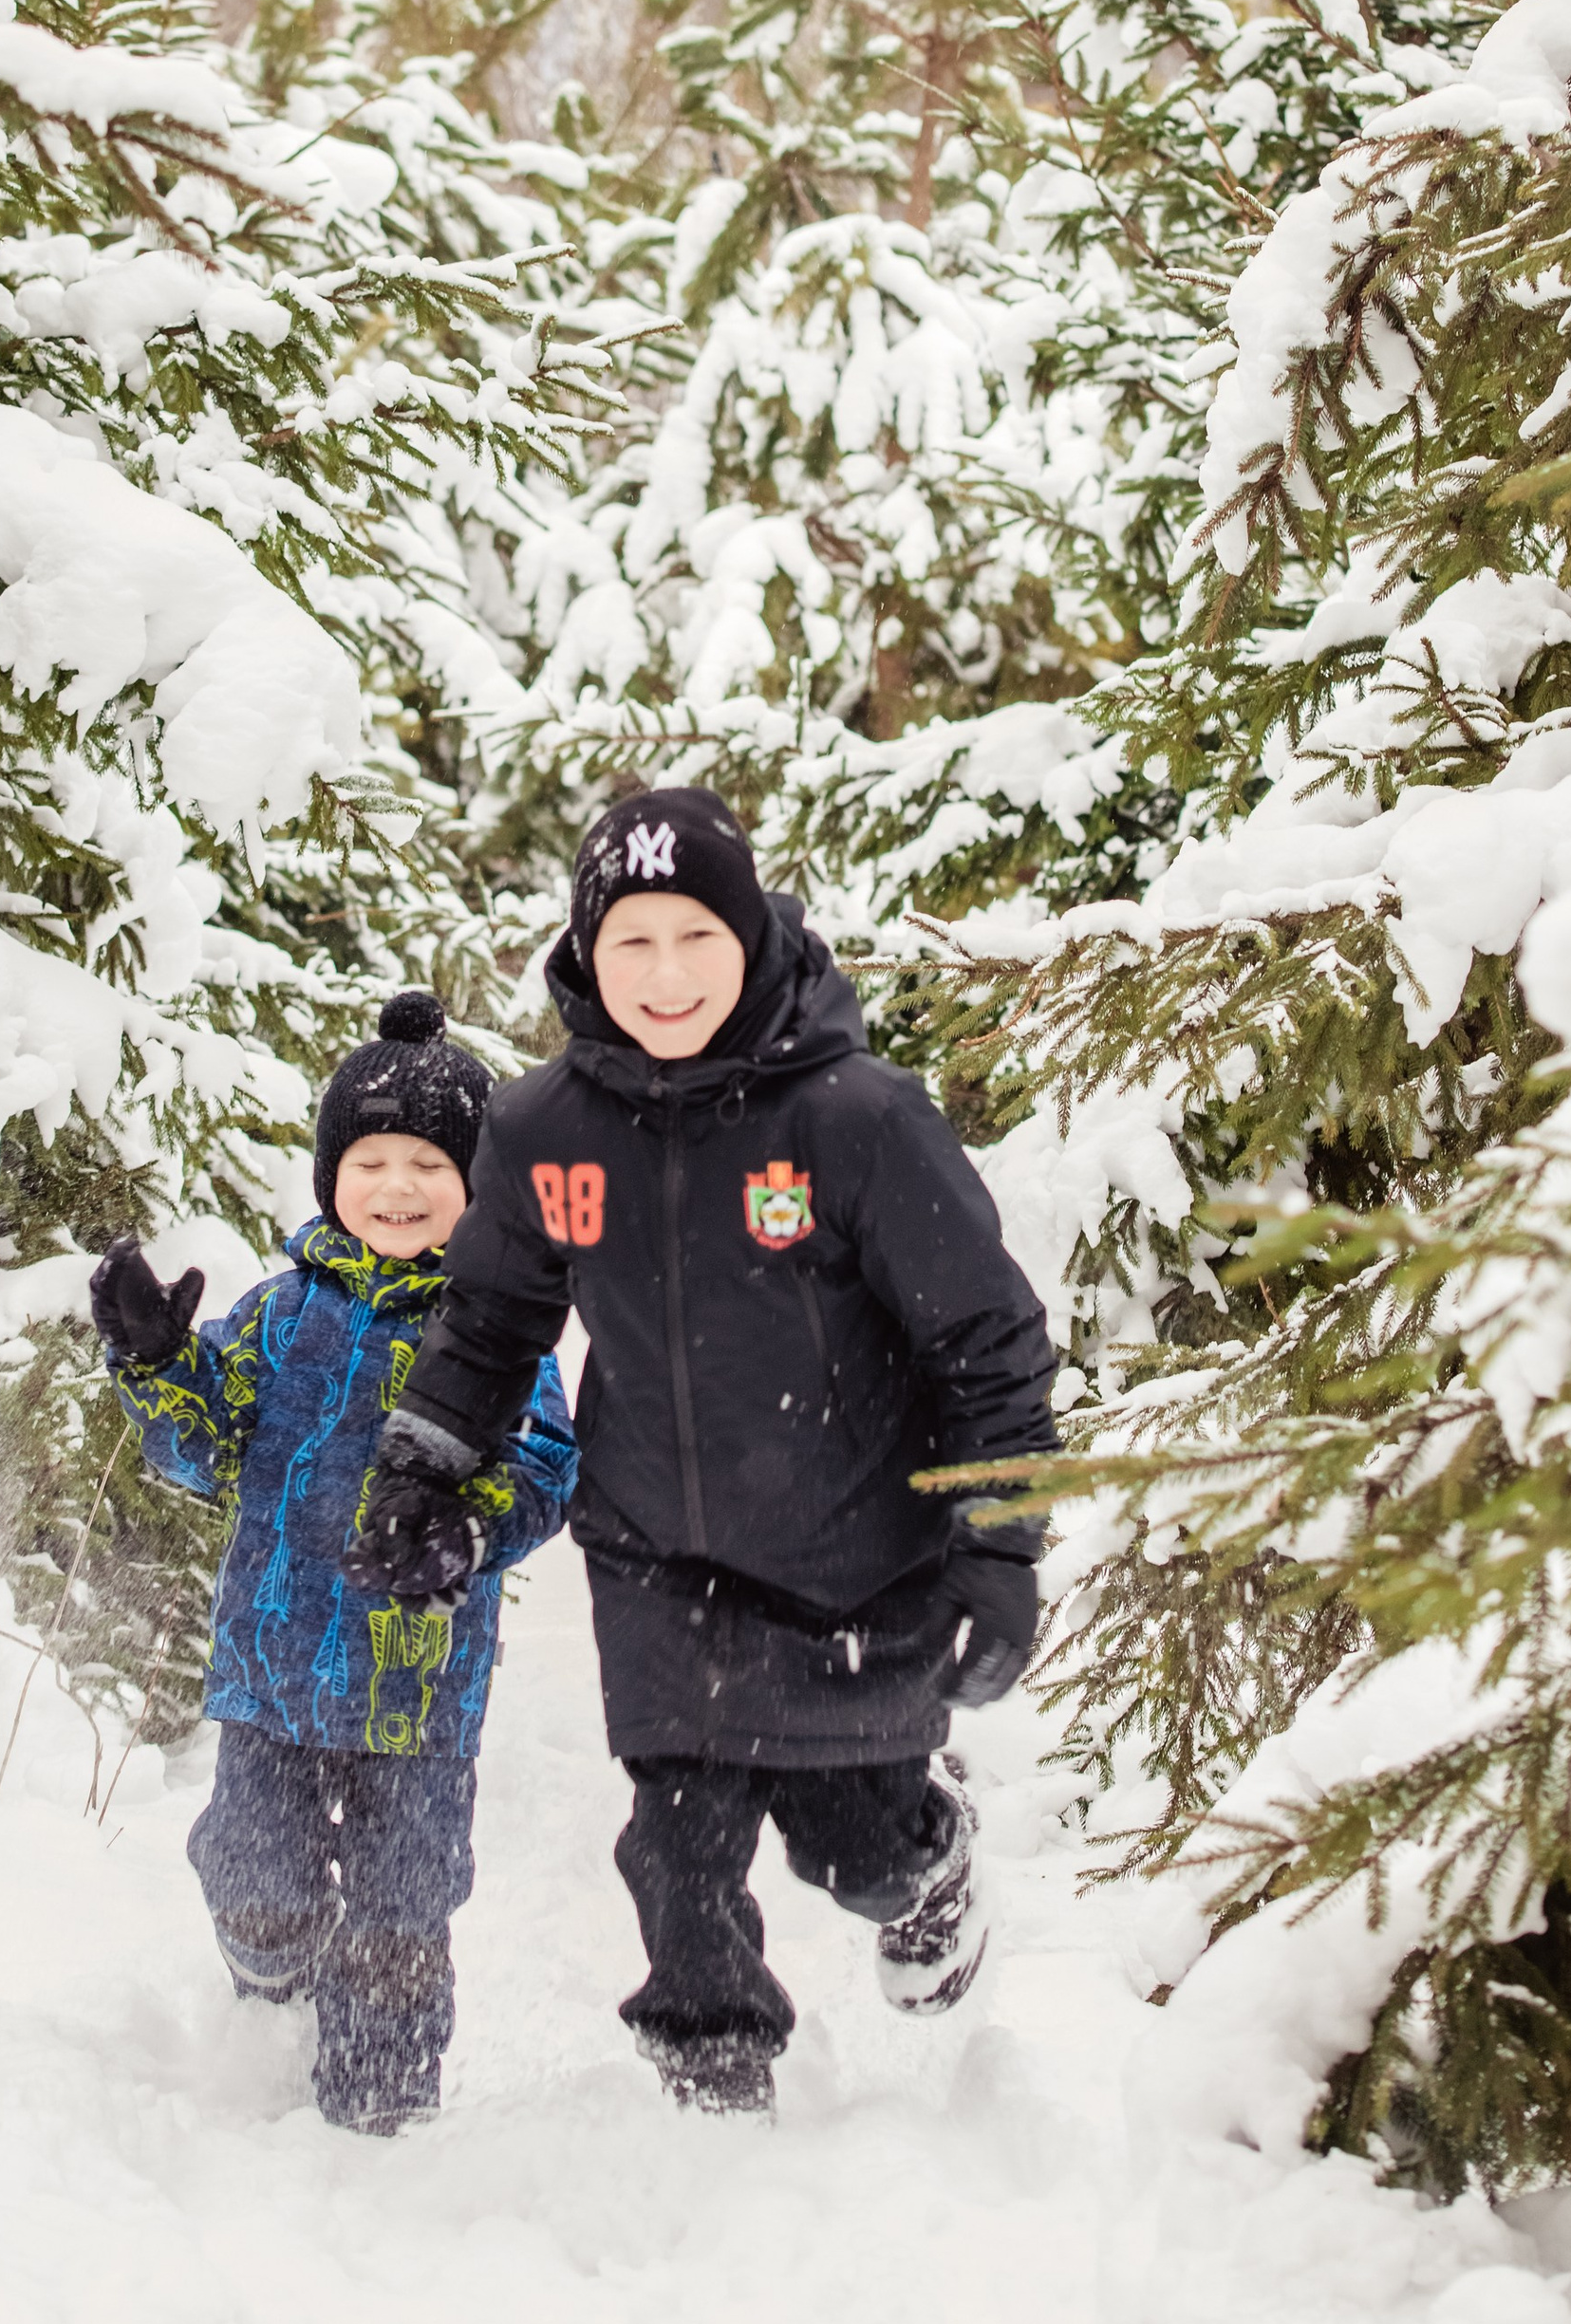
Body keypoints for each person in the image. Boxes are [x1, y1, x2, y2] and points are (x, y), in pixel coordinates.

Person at [344, 790, 1055, 2117]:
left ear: (749, 934)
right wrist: (423, 1469)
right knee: (678, 1853)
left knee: (857, 1855)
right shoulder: (548, 1128)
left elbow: (987, 1336)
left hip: (859, 1562)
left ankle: (930, 1859)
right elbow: (494, 1321)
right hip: (659, 1557)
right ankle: (715, 2094)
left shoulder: (858, 1120)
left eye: (693, 938)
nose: (664, 976)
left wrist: (1001, 1539)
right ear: (586, 954)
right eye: (631, 944)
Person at [90, 990, 576, 2136]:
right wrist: (158, 1362)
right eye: (371, 1160)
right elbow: (201, 1450)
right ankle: (269, 1989)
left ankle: (382, 2117)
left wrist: (470, 1523)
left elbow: (547, 1462)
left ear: (474, 1190)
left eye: (427, 1165)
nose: (398, 1187)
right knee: (259, 1883)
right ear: (331, 1177)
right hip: (270, 1667)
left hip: (419, 1687)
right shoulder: (279, 1313)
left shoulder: (497, 1328)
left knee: (401, 1918)